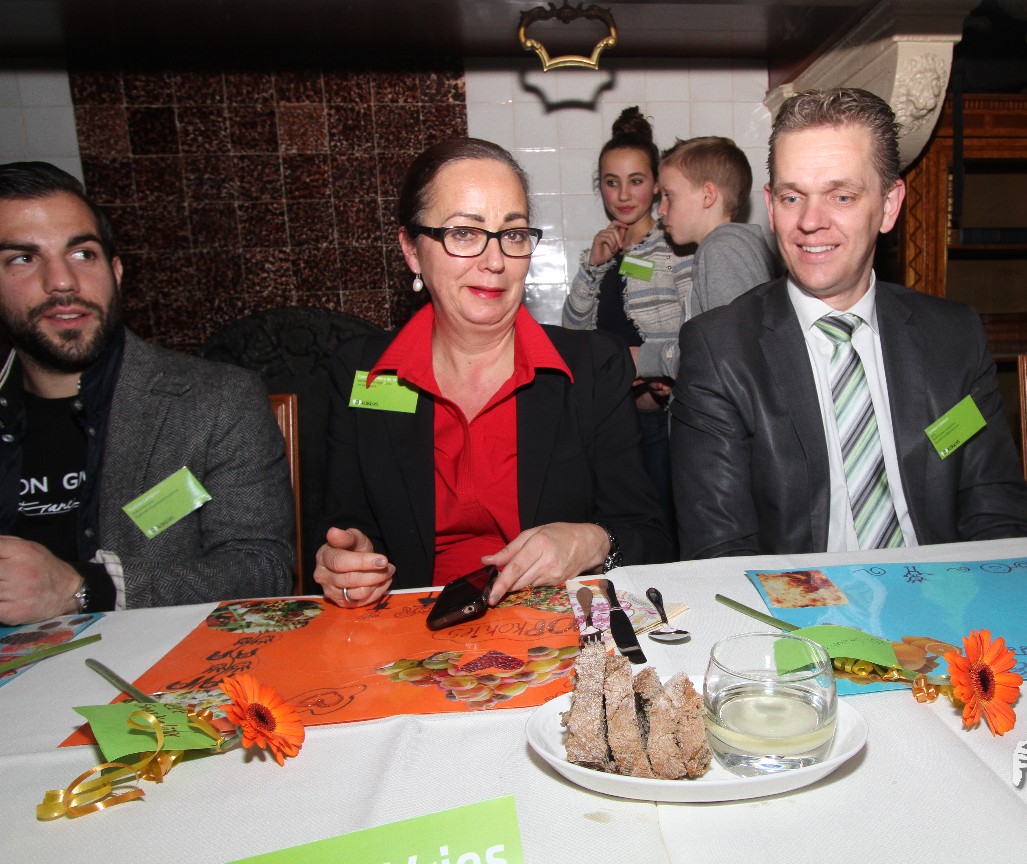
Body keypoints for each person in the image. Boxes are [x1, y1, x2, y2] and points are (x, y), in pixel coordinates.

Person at [670, 88, 1027, 559]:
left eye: (841, 196)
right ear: (771, 205)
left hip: (943, 593)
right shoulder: (720, 351)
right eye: (792, 197)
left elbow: (998, 517)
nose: (810, 222)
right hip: (798, 601)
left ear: (889, 205)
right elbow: (722, 554)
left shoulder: (954, 337)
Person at [314, 138, 670, 608]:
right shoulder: (361, 373)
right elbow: (343, 531)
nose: (496, 260)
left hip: (553, 632)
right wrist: (346, 565)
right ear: (412, 250)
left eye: (514, 234)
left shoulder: (592, 368)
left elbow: (651, 537)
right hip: (409, 630)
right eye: (464, 233)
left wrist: (591, 542)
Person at [0, 161, 294, 625]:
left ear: (116, 271)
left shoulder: (215, 402)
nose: (62, 281)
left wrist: (83, 588)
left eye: (83, 254)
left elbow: (262, 570)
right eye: (23, 258)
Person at [561, 107, 691, 539]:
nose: (622, 194)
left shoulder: (675, 247)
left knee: (662, 534)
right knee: (615, 533)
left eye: (635, 181)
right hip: (605, 423)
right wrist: (593, 268)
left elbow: (696, 328)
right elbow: (574, 336)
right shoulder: (601, 251)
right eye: (611, 182)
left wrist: (667, 373)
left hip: (658, 422)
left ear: (656, 185)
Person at [658, 135, 779, 346]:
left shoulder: (721, 250)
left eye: (668, 195)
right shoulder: (733, 246)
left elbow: (730, 348)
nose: (661, 209)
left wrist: (653, 358)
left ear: (708, 195)